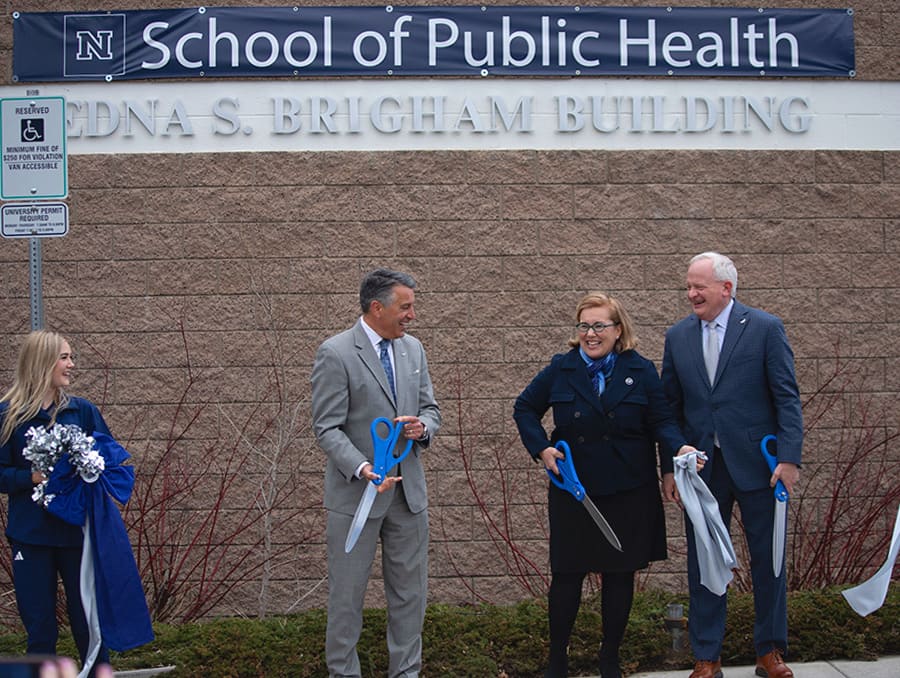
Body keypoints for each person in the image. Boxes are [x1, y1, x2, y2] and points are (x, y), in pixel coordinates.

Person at [513, 292, 696, 678]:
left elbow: (661, 422)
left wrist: (678, 452)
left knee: (620, 574)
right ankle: (557, 662)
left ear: (618, 330)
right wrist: (542, 449)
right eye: (584, 325)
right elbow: (525, 408)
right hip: (574, 489)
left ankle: (609, 658)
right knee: (567, 574)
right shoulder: (561, 369)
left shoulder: (641, 369)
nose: (590, 334)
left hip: (629, 487)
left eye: (599, 326)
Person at [661, 252, 803, 678]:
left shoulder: (764, 328)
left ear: (726, 287)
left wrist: (789, 459)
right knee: (705, 563)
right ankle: (707, 656)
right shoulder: (677, 336)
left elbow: (786, 397)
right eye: (688, 286)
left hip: (761, 467)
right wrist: (670, 468)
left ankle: (769, 652)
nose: (691, 293)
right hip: (703, 473)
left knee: (769, 560)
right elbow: (669, 409)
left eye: (698, 286)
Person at [311, 268, 441, 678]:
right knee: (347, 598)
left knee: (410, 596)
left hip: (408, 498)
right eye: (406, 307)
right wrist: (364, 468)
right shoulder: (335, 353)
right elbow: (326, 427)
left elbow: (431, 410)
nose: (412, 315)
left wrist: (424, 428)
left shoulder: (413, 350)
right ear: (376, 307)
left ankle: (406, 673)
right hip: (356, 499)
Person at [0, 331, 111, 676]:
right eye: (64, 357)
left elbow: (107, 458)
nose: (71, 364)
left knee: (89, 627)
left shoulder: (82, 411)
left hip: (76, 536)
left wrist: (89, 469)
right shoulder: (8, 415)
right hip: (30, 537)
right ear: (43, 361)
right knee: (40, 630)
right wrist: (30, 478)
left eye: (70, 356)